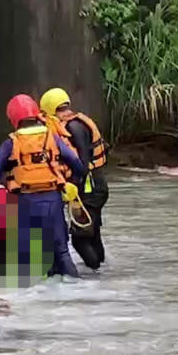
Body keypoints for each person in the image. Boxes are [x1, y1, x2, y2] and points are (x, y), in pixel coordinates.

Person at [0, 94, 86, 280]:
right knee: (61, 252)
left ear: (13, 119)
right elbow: (76, 163)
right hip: (53, 200)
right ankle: (78, 291)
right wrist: (73, 183)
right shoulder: (52, 137)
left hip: (27, 202)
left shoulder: (11, 143)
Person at [39, 87, 109, 270]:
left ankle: (95, 279)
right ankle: (100, 271)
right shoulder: (78, 121)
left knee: (80, 239)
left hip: (89, 189)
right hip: (97, 185)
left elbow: (82, 164)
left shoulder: (73, 127)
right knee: (92, 234)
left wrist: (69, 187)